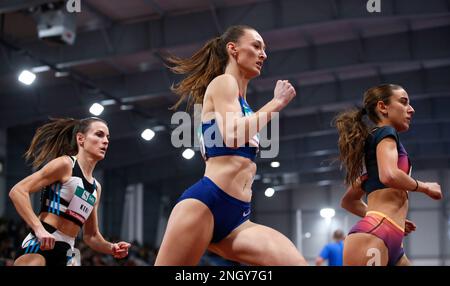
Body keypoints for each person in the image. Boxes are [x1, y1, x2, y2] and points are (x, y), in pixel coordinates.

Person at [155, 25, 307, 266]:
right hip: (206, 204)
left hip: (238, 217)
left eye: (264, 49)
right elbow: (233, 136)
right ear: (233, 49)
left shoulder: (242, 103)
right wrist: (277, 102)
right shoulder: (223, 83)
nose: (263, 54)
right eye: (257, 46)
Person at [334, 84, 442, 266]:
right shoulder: (386, 133)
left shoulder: (374, 153)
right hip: (375, 234)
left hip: (390, 236)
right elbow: (389, 175)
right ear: (382, 107)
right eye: (404, 102)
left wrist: (391, 219)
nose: (411, 109)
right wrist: (425, 187)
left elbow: (349, 201)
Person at [9, 117, 131, 266]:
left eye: (107, 137)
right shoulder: (66, 164)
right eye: (99, 134)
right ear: (81, 139)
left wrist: (111, 247)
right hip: (41, 244)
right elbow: (18, 191)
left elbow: (91, 235)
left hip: (68, 252)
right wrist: (39, 229)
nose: (105, 141)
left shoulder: (96, 188)